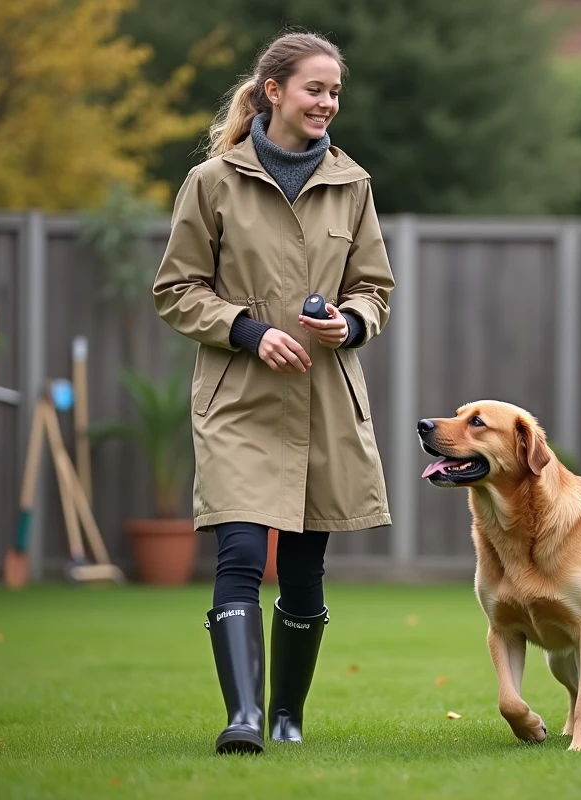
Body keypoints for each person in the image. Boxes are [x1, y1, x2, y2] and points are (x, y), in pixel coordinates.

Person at [151, 30, 394, 756]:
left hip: (322, 398)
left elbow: (375, 289)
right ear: (273, 93)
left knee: (304, 566)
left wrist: (347, 322)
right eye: (316, 89)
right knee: (238, 552)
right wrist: (248, 331)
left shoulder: (354, 186)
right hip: (240, 400)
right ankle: (245, 718)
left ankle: (286, 716)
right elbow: (175, 290)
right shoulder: (213, 182)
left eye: (335, 92)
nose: (328, 103)